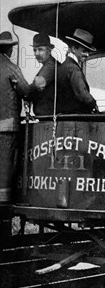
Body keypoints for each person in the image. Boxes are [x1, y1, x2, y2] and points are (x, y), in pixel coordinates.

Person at [0, 31, 29, 203]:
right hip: (6, 127)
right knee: (5, 164)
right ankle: (3, 205)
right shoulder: (11, 68)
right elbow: (25, 90)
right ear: (9, 49)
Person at [56, 28, 98, 114]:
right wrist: (94, 105)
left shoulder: (63, 66)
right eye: (84, 51)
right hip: (74, 118)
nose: (87, 54)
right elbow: (82, 93)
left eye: (88, 52)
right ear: (74, 49)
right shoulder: (73, 68)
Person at [26, 33, 58, 116]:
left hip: (49, 116)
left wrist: (25, 91)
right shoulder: (47, 65)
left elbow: (38, 83)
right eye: (34, 50)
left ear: (49, 50)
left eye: (40, 50)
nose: (36, 53)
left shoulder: (51, 66)